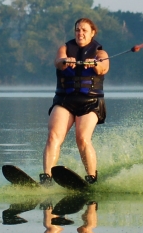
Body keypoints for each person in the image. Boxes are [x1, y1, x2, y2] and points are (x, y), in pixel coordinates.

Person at [41, 18, 110, 186]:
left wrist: (94, 64)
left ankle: (91, 178)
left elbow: (103, 67)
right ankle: (47, 177)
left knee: (82, 138)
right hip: (65, 101)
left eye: (84, 30)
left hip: (90, 102)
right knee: (53, 136)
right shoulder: (64, 49)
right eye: (77, 30)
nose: (80, 33)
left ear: (92, 33)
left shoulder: (100, 53)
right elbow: (58, 62)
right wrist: (65, 61)